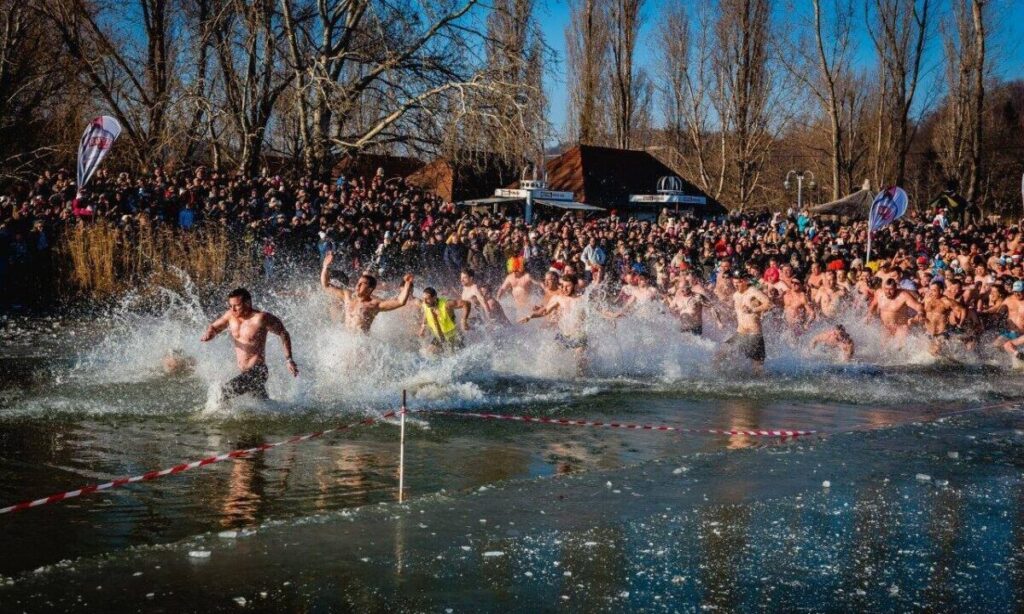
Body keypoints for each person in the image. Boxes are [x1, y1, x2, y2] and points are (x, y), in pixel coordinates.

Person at [200, 287, 297, 402]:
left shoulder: (261, 318)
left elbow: (283, 333)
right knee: (263, 406)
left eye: (236, 305)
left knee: (224, 392)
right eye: (230, 306)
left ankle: (215, 417)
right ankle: (288, 411)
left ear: (247, 303)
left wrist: (289, 359)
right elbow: (215, 327)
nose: (233, 309)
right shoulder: (230, 316)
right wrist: (210, 333)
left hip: (258, 371)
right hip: (245, 372)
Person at [319, 251, 414, 333]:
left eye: (362, 284)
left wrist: (407, 284)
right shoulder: (348, 295)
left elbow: (400, 301)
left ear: (369, 289)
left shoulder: (374, 304)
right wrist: (325, 267)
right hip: (346, 341)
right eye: (358, 282)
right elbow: (326, 285)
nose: (358, 285)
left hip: (361, 345)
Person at [520, 274, 589, 376]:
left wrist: (612, 315)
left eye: (568, 286)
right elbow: (545, 311)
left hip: (578, 336)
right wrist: (530, 316)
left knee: (580, 367)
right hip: (564, 335)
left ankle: (581, 383)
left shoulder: (582, 299)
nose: (564, 289)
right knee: (552, 359)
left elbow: (599, 309)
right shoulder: (558, 298)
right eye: (562, 286)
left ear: (574, 286)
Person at [719, 273, 773, 373]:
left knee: (757, 369)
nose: (735, 285)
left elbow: (769, 303)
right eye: (734, 282)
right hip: (740, 334)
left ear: (744, 281)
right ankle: (717, 377)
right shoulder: (735, 295)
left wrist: (754, 309)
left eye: (738, 283)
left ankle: (764, 386)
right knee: (720, 354)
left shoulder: (753, 291)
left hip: (754, 335)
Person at [418, 287, 472, 354]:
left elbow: (466, 304)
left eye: (427, 299)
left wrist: (464, 320)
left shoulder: (446, 304)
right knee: (428, 354)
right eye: (423, 298)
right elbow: (426, 313)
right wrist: (423, 326)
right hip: (439, 336)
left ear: (434, 298)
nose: (425, 301)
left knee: (454, 359)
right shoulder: (425, 304)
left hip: (454, 336)